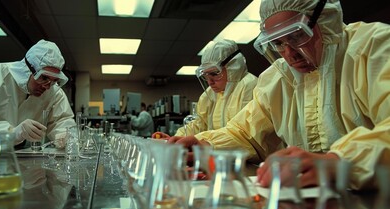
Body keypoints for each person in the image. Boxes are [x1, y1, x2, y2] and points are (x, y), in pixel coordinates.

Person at [169, 0, 390, 191]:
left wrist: (340, 162)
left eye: (297, 36)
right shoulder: (277, 80)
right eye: (278, 43)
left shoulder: (373, 49)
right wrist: (205, 145)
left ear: (326, 19)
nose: (289, 54)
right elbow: (246, 132)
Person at [0, 39, 76, 152]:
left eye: (54, 80)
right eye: (44, 78)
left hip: (20, 159)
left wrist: (64, 135)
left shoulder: (54, 92)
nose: (47, 86)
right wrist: (13, 133)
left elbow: (62, 120)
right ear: (27, 69)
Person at [152, 39, 257, 138]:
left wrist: (202, 140)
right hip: (218, 153)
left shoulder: (249, 86)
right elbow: (198, 124)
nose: (210, 82)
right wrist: (177, 138)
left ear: (233, 67)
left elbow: (243, 134)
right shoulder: (210, 95)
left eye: (214, 73)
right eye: (206, 75)